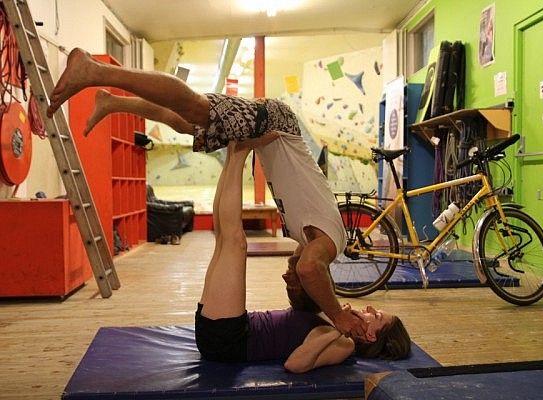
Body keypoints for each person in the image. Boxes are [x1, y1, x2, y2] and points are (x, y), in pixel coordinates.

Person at [47, 47, 366, 338]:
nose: (287, 277)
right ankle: (94, 70)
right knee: (198, 109)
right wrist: (337, 315)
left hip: (271, 131)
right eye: (295, 284)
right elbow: (310, 269)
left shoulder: (307, 237)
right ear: (316, 281)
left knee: (189, 124)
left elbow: (308, 268)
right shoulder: (329, 243)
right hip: (278, 125)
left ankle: (113, 101)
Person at [195, 141, 411, 372]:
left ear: (370, 336)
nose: (368, 309)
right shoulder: (334, 315)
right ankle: (234, 151)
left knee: (233, 242)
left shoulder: (345, 344)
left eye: (376, 316)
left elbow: (295, 364)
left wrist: (339, 326)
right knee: (225, 239)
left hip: (231, 340)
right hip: (230, 330)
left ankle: (239, 151)